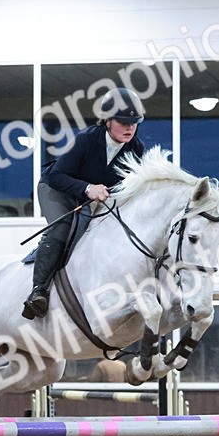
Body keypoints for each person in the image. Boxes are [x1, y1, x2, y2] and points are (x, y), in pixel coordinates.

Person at [21, 87, 146, 319]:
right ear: (107, 121)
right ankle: (38, 292)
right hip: (56, 189)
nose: (130, 127)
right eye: (123, 121)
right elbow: (58, 176)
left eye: (134, 122)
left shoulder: (136, 149)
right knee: (62, 227)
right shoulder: (86, 139)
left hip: (90, 197)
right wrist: (88, 188)